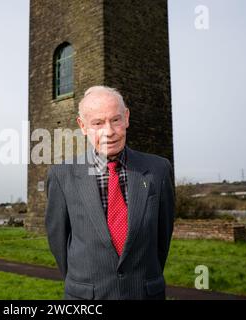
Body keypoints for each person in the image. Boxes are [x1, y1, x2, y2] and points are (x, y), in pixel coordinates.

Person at [45, 85, 175, 300]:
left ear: (126, 118)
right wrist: (82, 284)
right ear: (83, 126)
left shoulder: (158, 170)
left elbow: (162, 238)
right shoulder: (62, 176)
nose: (109, 132)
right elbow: (59, 242)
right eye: (97, 123)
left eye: (115, 120)